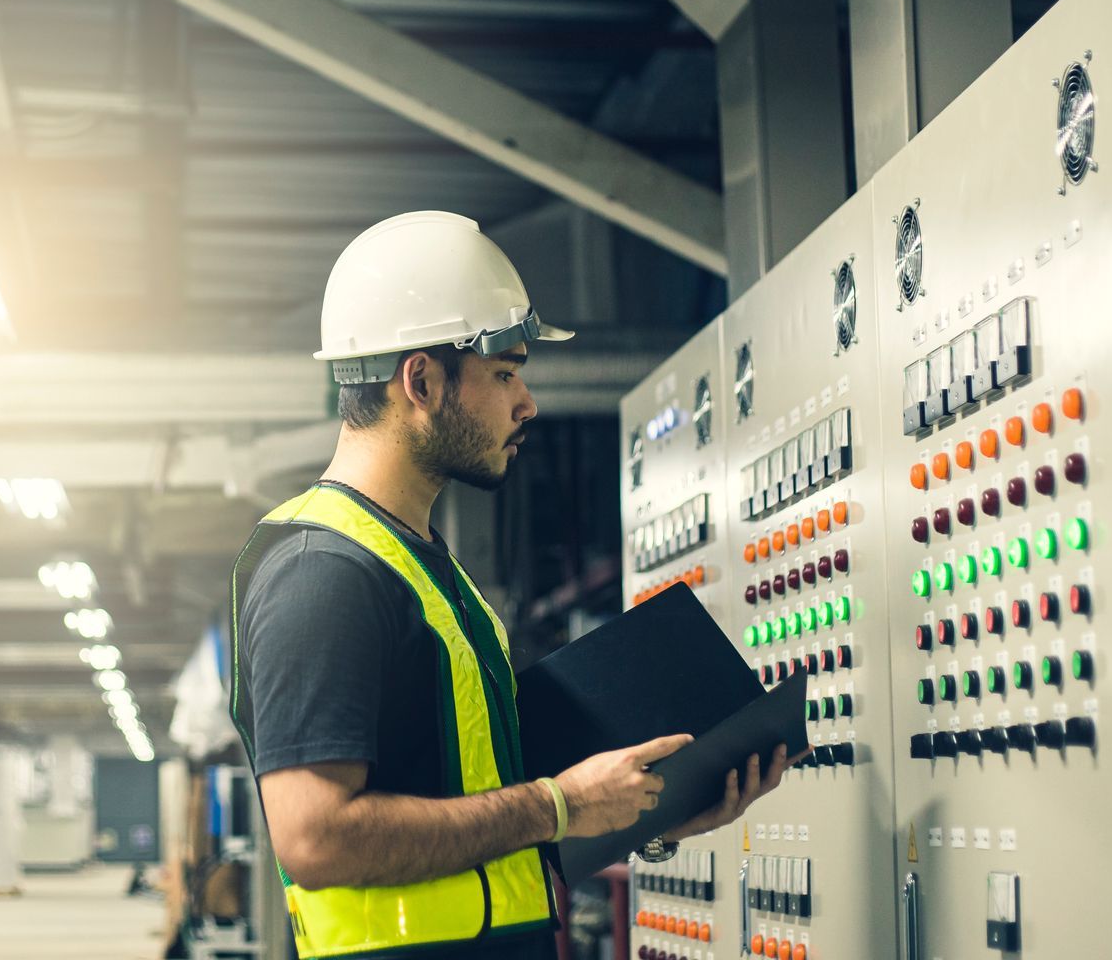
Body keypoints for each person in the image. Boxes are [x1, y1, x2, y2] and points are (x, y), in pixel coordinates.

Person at [229, 211, 795, 959]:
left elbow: (483, 831)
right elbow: (315, 837)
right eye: (504, 374)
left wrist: (647, 810)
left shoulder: (430, 569)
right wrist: (560, 804)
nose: (526, 403)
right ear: (422, 381)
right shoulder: (322, 572)